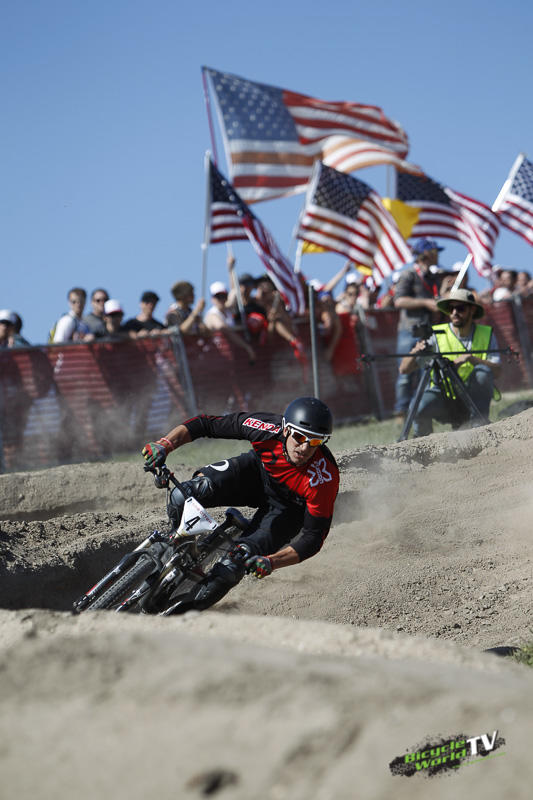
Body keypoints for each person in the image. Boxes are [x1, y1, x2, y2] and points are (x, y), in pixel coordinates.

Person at [141, 396, 339, 613]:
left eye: (315, 442)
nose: (304, 448)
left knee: (230, 569)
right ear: (285, 430)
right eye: (299, 437)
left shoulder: (324, 479)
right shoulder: (265, 427)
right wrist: (165, 445)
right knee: (183, 495)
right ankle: (182, 548)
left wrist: (271, 562)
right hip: (255, 474)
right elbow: (206, 424)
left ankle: (168, 620)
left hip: (287, 510)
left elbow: (313, 537)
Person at [398, 289, 501, 437]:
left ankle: (480, 427)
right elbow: (404, 369)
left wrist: (471, 358)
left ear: (472, 310)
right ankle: (421, 442)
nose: (454, 312)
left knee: (483, 373)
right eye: (451, 309)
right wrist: (415, 351)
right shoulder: (436, 334)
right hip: (443, 396)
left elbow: (497, 371)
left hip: (472, 397)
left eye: (460, 308)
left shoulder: (486, 334)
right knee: (418, 406)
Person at [393, 238, 443, 417]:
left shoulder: (433, 277)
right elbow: (399, 300)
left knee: (426, 372)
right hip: (409, 331)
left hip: (427, 331)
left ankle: (420, 409)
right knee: (405, 375)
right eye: (435, 251)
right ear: (425, 254)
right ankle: (401, 412)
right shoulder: (408, 274)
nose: (438, 255)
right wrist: (426, 302)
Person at [204, 281, 256, 361]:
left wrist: (230, 270)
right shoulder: (212, 314)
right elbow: (223, 328)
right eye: (218, 296)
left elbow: (234, 291)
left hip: (232, 355)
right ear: (212, 299)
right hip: (217, 356)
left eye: (223, 296)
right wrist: (246, 346)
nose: (221, 299)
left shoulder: (228, 311)